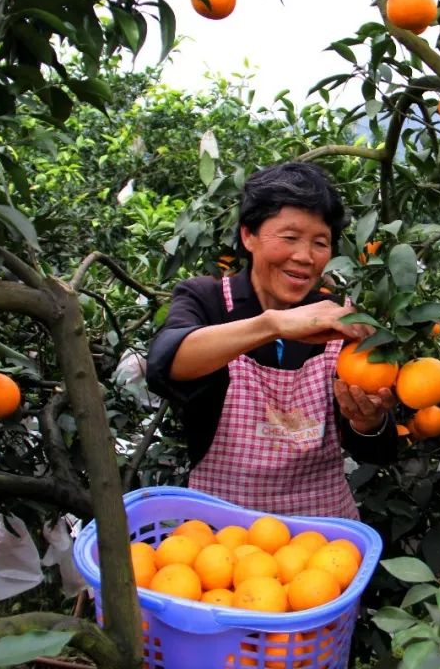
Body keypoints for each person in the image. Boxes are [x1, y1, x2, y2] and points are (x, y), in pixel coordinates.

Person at [146, 162, 398, 520]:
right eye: (290, 237)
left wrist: (368, 422)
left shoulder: (340, 319)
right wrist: (275, 324)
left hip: (321, 541)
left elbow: (380, 452)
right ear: (249, 235)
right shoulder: (208, 300)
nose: (304, 257)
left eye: (320, 243)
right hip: (218, 538)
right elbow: (164, 365)